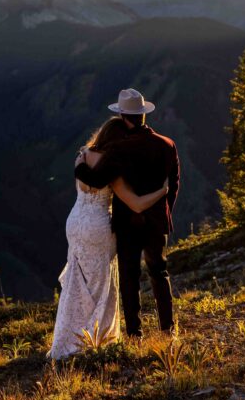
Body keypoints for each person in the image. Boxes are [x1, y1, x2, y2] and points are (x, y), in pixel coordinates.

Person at [49, 116, 168, 360]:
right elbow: (135, 204)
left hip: (75, 222)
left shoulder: (82, 155)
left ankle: (67, 337)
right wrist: (162, 191)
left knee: (76, 279)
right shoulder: (113, 167)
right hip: (97, 226)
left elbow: (87, 179)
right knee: (100, 282)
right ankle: (95, 338)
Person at [74, 88, 180, 339]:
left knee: (130, 278)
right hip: (155, 221)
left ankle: (135, 333)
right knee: (159, 272)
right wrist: (163, 213)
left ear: (123, 117)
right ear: (143, 115)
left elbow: (97, 181)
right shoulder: (167, 145)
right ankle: (168, 329)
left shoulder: (119, 149)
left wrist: (79, 165)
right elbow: (173, 186)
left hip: (127, 223)